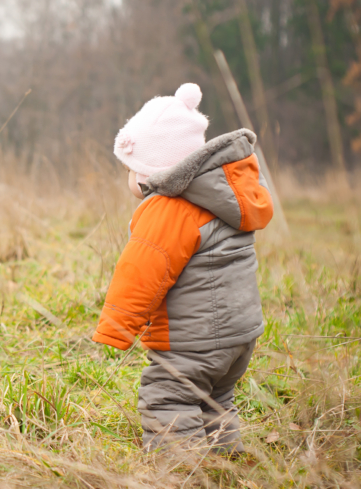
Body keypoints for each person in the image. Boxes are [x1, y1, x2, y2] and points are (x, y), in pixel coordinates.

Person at [92, 83, 273, 454]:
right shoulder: (224, 197)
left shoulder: (167, 210)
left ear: (148, 175)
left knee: (168, 398)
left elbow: (141, 272)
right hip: (241, 336)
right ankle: (227, 463)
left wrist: (116, 327)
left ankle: (181, 474)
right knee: (215, 399)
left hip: (194, 341)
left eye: (129, 170)